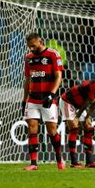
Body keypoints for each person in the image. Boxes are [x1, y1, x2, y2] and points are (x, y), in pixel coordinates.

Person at [22, 33, 64, 171]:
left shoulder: (53, 54)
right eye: (29, 47)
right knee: (32, 128)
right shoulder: (28, 58)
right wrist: (24, 100)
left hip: (48, 99)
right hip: (33, 99)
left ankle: (59, 160)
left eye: (33, 46)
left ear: (40, 41)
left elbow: (59, 77)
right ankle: (33, 163)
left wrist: (52, 95)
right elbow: (27, 80)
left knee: (52, 131)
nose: (31, 49)